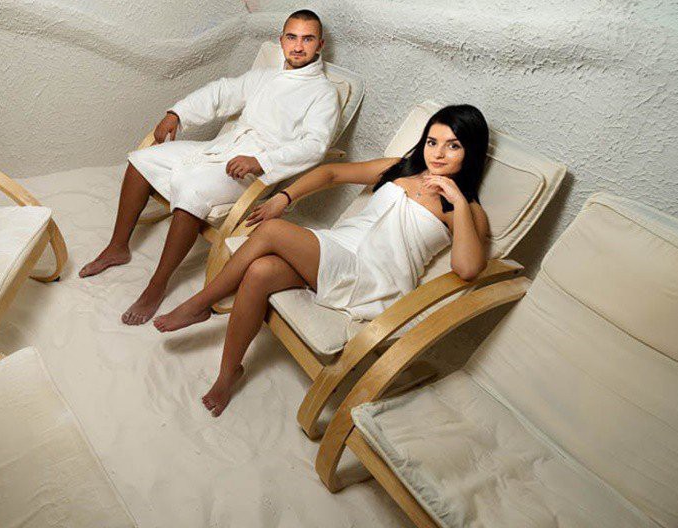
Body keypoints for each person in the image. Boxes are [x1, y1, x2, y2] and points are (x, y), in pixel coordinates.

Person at [153, 105, 492, 416]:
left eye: (453, 145)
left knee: (271, 230)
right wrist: (284, 196)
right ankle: (229, 373)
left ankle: (201, 304)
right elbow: (331, 173)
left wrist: (458, 201)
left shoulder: (466, 209)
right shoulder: (400, 168)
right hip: (337, 250)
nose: (438, 153)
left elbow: (467, 268)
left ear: (471, 151)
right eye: (432, 142)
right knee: (260, 271)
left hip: (372, 277)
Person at [79, 10, 341, 325]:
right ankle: (118, 246)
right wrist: (177, 114)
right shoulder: (265, 77)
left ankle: (157, 284)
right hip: (223, 148)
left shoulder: (323, 94)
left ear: (320, 45)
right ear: (281, 40)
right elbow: (221, 92)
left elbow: (315, 145)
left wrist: (262, 162)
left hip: (254, 170)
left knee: (192, 190)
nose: (298, 46)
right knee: (141, 160)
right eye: (292, 37)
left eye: (307, 39)